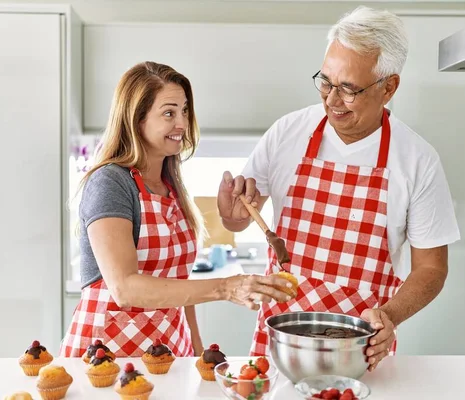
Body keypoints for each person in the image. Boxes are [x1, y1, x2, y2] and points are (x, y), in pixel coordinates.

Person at [217, 7, 460, 370]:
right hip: (278, 346)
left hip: (360, 350)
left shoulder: (417, 160)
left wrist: (390, 316)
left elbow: (431, 269)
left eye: (348, 89)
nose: (331, 100)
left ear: (388, 87)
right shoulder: (288, 133)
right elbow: (239, 219)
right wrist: (229, 214)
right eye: (326, 82)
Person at [60, 61, 292, 358]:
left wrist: (197, 354)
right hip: (106, 355)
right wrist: (225, 288)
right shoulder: (111, 183)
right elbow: (125, 289)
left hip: (170, 349)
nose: (182, 123)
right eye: (169, 113)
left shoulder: (172, 186)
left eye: (184, 111)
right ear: (136, 119)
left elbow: (180, 284)